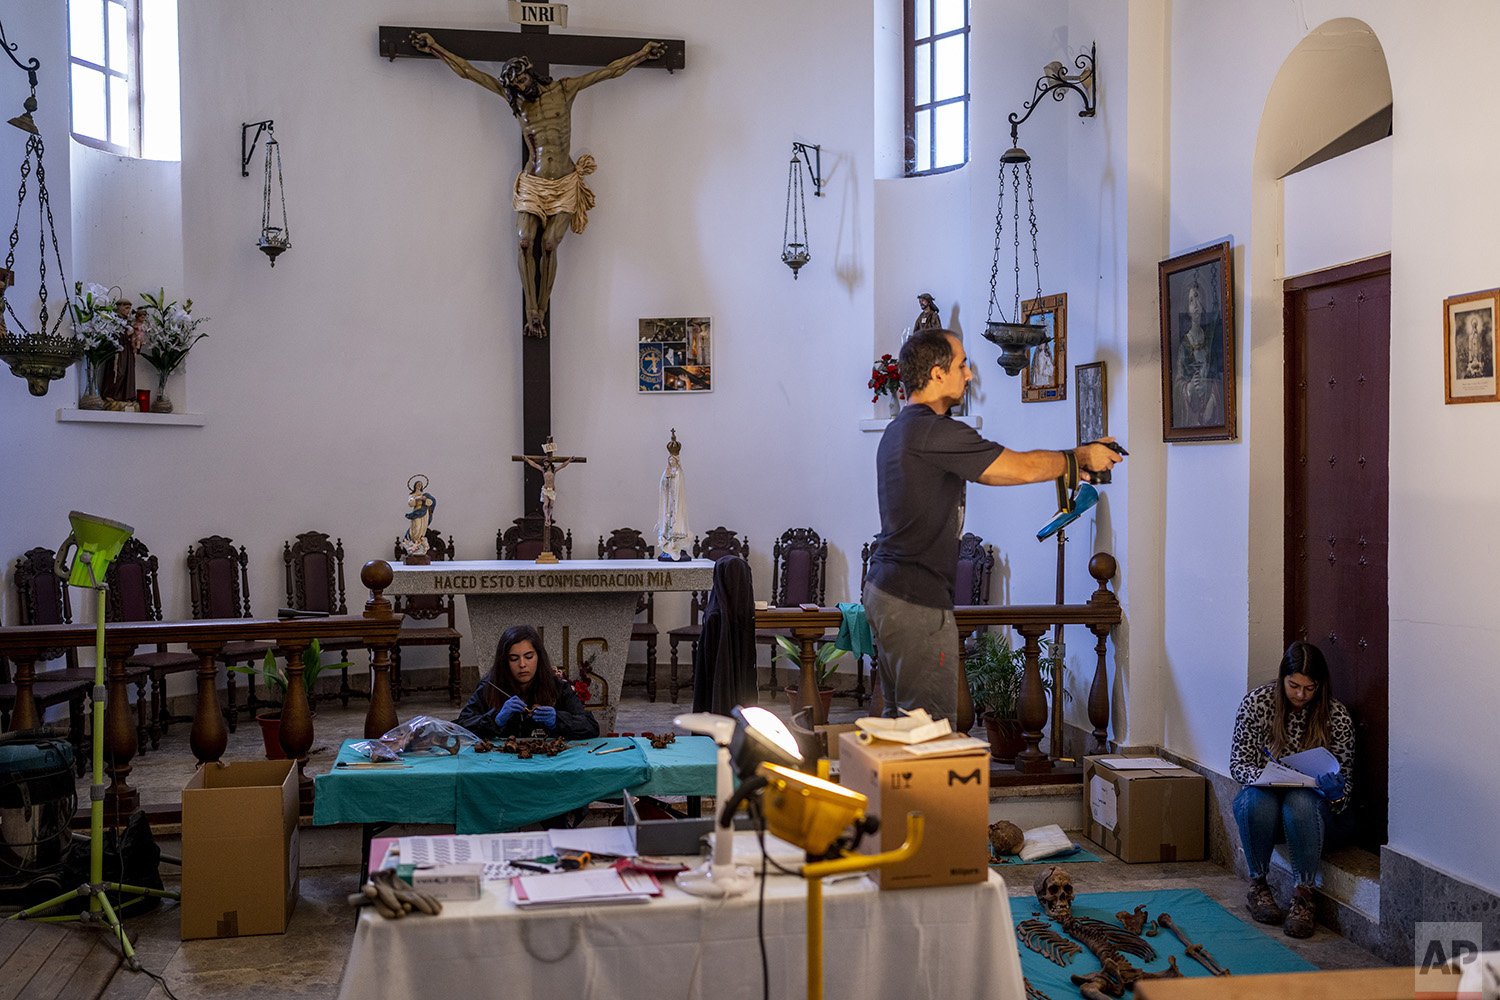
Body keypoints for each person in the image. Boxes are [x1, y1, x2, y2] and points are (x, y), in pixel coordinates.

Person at [863, 328, 1123, 726]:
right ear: (936, 374)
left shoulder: (903, 429)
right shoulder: (932, 431)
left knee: (902, 733)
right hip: (915, 600)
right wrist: (1079, 457)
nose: (968, 375)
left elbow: (1002, 473)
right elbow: (1013, 468)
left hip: (889, 591)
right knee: (928, 736)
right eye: (962, 364)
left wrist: (1075, 463)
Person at [413, 33, 666, 338]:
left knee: (549, 245)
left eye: (522, 80)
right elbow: (469, 72)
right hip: (533, 181)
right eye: (515, 84)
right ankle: (531, 310)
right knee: (523, 241)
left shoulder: (564, 89)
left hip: (563, 182)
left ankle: (541, 310)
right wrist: (435, 47)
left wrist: (642, 54)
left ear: (530, 72)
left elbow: (609, 71)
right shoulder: (516, 104)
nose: (521, 87)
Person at [1229, 640, 1355, 938]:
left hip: (1310, 808)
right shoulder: (1257, 704)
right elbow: (1238, 764)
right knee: (1255, 801)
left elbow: (1345, 784)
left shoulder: (1336, 716)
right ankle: (1258, 885)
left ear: (1320, 687)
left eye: (1309, 688)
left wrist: (1335, 790)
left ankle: (1303, 895)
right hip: (1265, 794)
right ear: (1282, 679)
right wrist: (1268, 776)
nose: (1301, 695)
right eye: (1294, 686)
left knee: (1299, 801)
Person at [456, 624, 599, 741]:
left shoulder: (557, 687)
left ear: (539, 657)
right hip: (500, 764)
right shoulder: (490, 686)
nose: (522, 664)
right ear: (504, 662)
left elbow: (591, 727)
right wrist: (495, 720)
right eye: (514, 658)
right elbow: (459, 727)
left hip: (548, 763)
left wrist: (558, 720)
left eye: (529, 656)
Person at [1174, 278, 1223, 427]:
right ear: (1187, 309)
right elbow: (1177, 385)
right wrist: (1189, 388)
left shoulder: (1210, 340)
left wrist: (1213, 400)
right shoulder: (1184, 346)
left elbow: (1220, 375)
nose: (1195, 305)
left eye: (1197, 297)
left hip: (1211, 408)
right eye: (1190, 301)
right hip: (1193, 410)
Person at [401, 476, 436, 559]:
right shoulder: (412, 495)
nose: (419, 486)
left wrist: (424, 499)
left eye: (420, 484)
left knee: (422, 527)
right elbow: (410, 503)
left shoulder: (425, 495)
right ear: (415, 486)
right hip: (417, 512)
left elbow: (430, 503)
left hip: (424, 513)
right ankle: (414, 541)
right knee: (416, 527)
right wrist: (417, 498)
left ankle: (420, 541)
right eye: (418, 484)